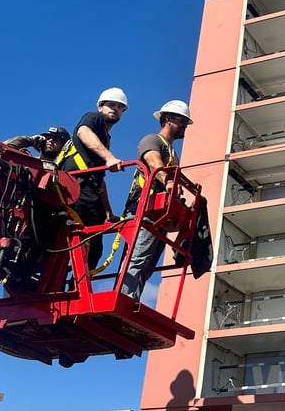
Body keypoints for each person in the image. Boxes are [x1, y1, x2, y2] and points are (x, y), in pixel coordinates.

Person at [121, 100, 192, 300]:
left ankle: (132, 299)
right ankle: (124, 298)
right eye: (182, 121)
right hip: (145, 207)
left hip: (160, 211)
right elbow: (153, 162)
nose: (185, 126)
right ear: (168, 120)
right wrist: (169, 182)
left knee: (149, 262)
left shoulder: (172, 151)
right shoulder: (153, 140)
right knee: (139, 257)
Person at [56, 87, 128, 271]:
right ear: (100, 106)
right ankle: (69, 284)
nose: (115, 109)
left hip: (87, 193)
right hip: (77, 191)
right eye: (111, 105)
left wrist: (108, 212)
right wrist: (109, 157)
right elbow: (83, 132)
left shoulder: (104, 138)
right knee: (84, 245)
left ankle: (70, 284)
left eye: (120, 107)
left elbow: (99, 180)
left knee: (93, 249)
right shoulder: (93, 118)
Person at [4, 126, 70, 162]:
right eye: (47, 138)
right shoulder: (30, 161)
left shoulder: (61, 168)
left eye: (55, 140)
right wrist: (30, 140)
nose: (50, 140)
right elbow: (3, 148)